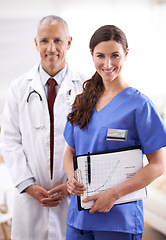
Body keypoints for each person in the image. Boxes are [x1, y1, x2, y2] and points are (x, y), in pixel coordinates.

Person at [62, 25, 166, 240]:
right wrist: (71, 178)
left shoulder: (139, 105)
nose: (107, 64)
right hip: (79, 218)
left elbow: (158, 165)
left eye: (115, 55)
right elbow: (70, 152)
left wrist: (114, 194)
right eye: (100, 56)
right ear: (91, 55)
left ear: (126, 55)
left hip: (118, 221)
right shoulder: (82, 102)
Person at [1, 15, 86, 240]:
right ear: (36, 43)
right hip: (29, 199)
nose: (51, 48)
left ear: (68, 43)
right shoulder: (18, 88)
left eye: (58, 40)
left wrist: (71, 183)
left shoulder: (85, 88)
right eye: (45, 40)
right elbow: (9, 140)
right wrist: (28, 185)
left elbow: (89, 143)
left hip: (70, 195)